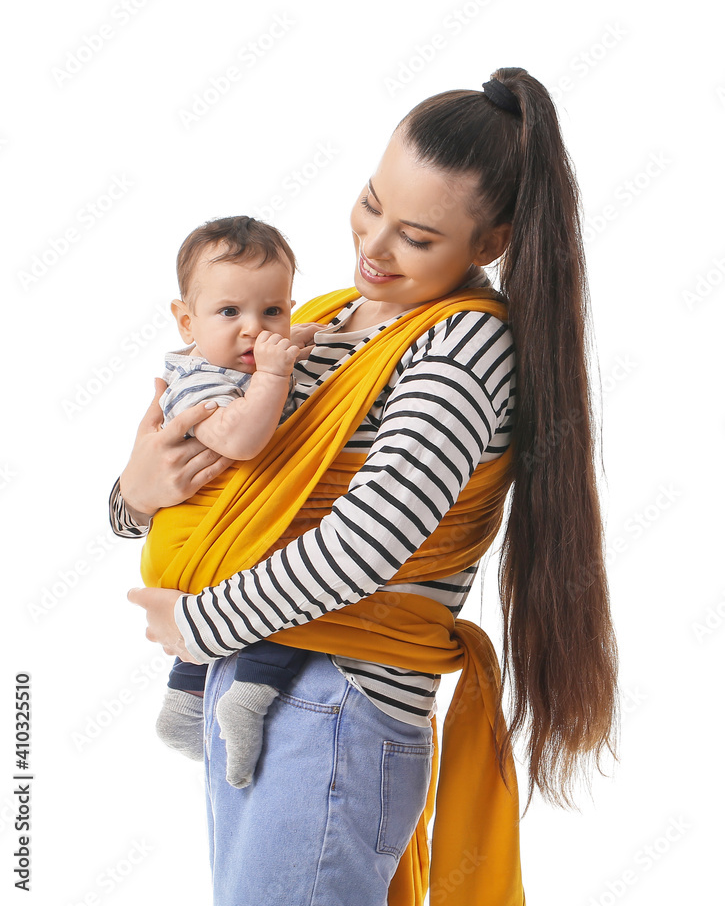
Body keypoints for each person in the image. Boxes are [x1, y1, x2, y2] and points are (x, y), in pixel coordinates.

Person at [117, 67, 619, 906]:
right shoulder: (313, 318)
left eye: (416, 237)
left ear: (487, 244)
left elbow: (366, 540)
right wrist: (134, 493)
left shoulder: (461, 347)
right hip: (251, 686)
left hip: (334, 696)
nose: (372, 247)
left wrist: (198, 624)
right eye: (370, 202)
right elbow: (210, 477)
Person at [135, 215, 325, 786]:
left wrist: (298, 343)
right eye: (229, 313)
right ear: (186, 320)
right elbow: (240, 440)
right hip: (209, 544)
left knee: (283, 584)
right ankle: (250, 696)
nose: (253, 330)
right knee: (297, 601)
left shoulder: (237, 363)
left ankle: (184, 705)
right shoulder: (197, 381)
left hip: (216, 545)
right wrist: (272, 374)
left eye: (273, 311)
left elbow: (280, 353)